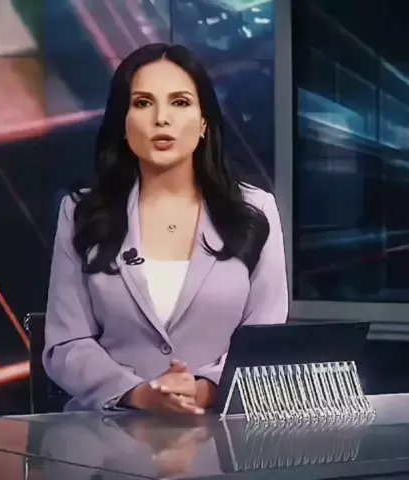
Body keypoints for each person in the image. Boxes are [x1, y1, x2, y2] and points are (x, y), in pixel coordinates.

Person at [43, 43, 288, 414]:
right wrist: (140, 394)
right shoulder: (82, 212)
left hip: (221, 432)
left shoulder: (254, 210)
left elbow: (265, 337)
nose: (162, 119)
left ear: (204, 122)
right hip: (105, 434)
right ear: (123, 124)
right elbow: (66, 343)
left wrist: (204, 390)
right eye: (143, 103)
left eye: (180, 102)